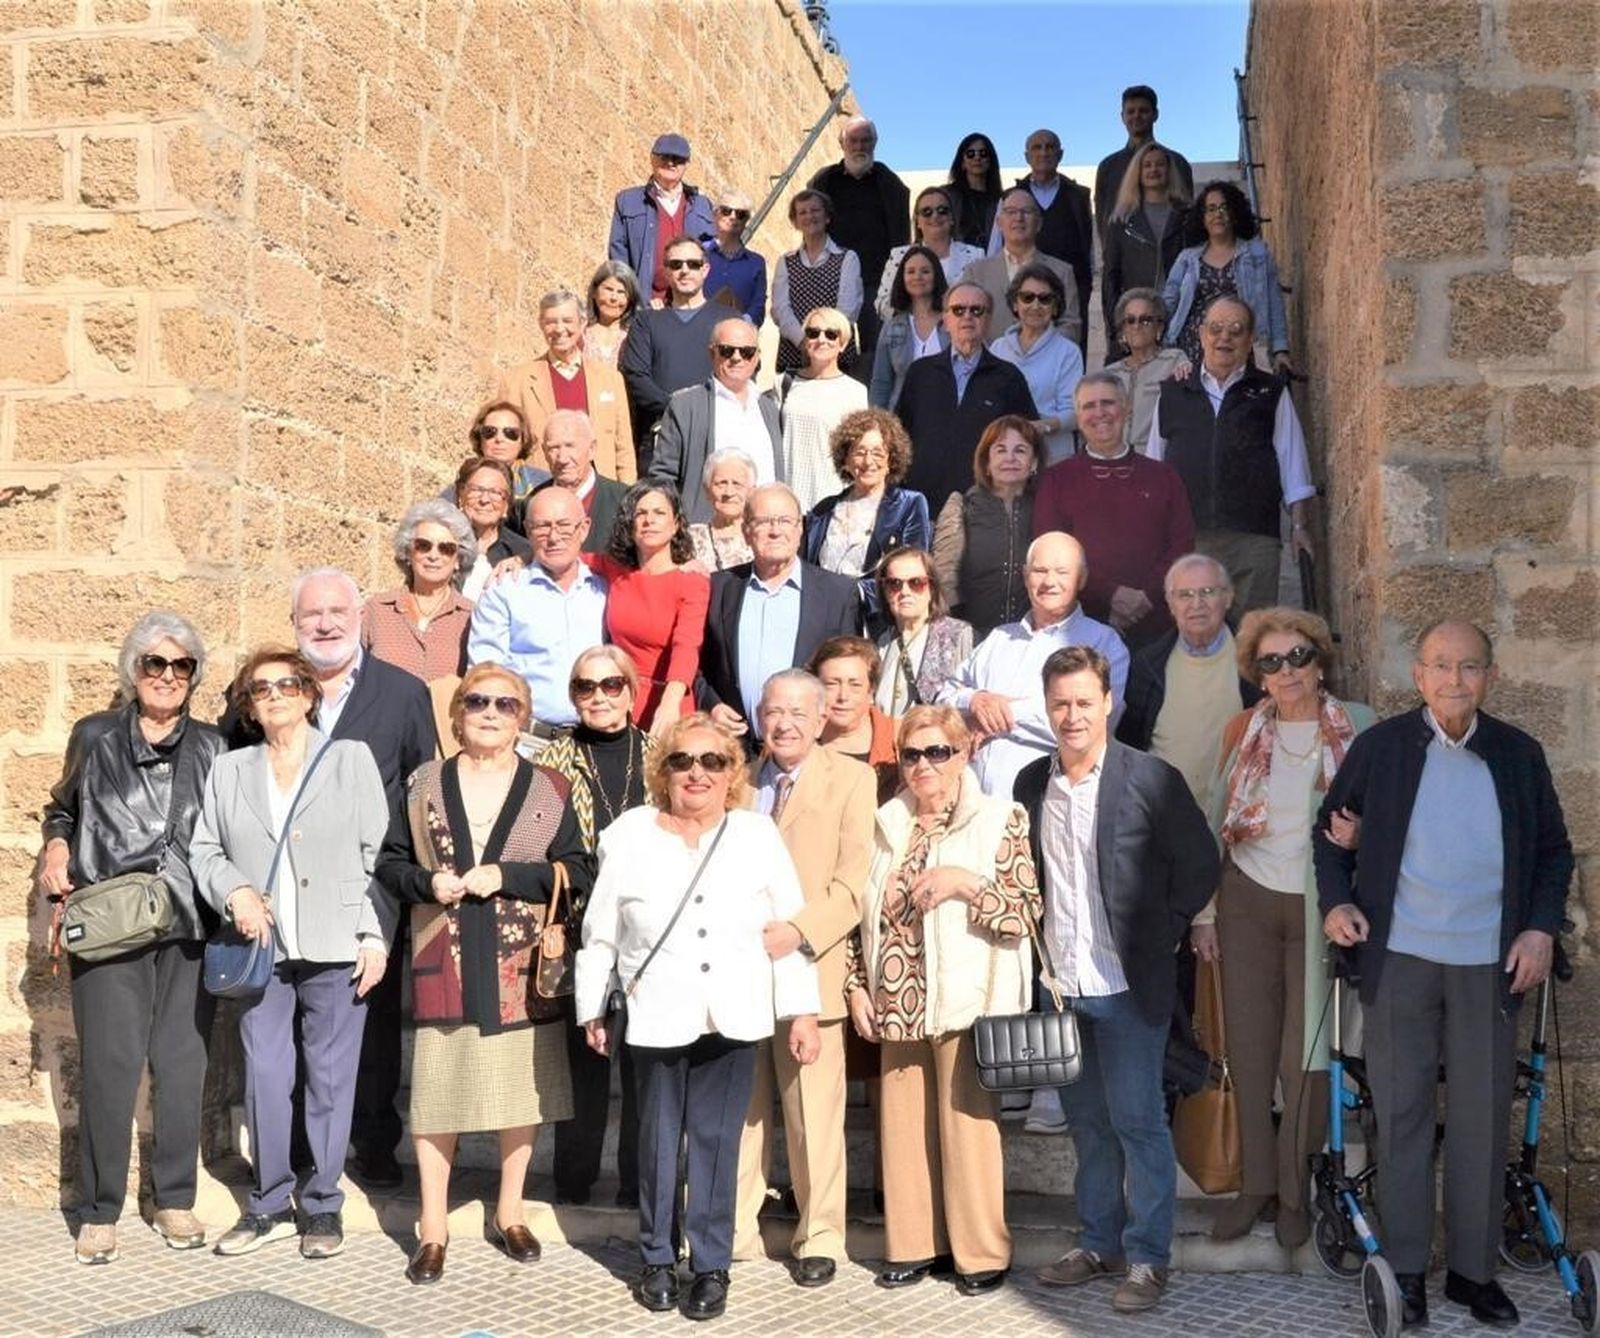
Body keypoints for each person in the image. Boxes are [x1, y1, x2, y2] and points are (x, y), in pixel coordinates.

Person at [1315, 620, 1574, 1330]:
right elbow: (1328, 834)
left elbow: (1555, 853)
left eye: (1468, 667)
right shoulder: (1383, 748)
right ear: (1418, 676)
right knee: (1398, 1114)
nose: (1454, 680)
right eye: (1440, 666)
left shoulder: (1519, 755)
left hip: (1489, 967)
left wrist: (1539, 927)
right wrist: (1337, 904)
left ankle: (1472, 1272)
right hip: (1401, 960)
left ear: (1490, 676)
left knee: (1481, 1119)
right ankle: (1405, 1270)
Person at [575, 714, 822, 1321]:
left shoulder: (756, 834)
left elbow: (785, 930)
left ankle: (710, 1266)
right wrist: (591, 1006)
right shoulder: (629, 834)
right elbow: (600, 931)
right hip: (656, 1010)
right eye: (683, 761)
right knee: (656, 1140)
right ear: (664, 770)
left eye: (713, 762)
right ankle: (657, 1258)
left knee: (716, 1145)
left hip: (733, 1012)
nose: (697, 773)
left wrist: (801, 1011)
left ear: (732, 773)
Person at [376, 664, 594, 1285]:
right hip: (440, 951)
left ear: (522, 716)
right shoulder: (424, 784)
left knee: (517, 1095)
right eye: (477, 701)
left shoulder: (549, 787)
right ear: (458, 713)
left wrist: (509, 876)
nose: (490, 712)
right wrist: (425, 882)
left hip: (518, 963)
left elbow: (576, 868)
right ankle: (434, 1227)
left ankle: (509, 1211)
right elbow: (390, 862)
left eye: (505, 703)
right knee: (437, 1098)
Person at [1019, 646, 1217, 1314]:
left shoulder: (1150, 779)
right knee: (1088, 1126)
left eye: (1083, 701)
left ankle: (1148, 1258)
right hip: (1061, 987)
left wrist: (1162, 932)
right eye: (1060, 704)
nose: (1071, 715)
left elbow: (1199, 863)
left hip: (1129, 987)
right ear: (1047, 709)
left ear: (1109, 703)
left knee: (1139, 1122)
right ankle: (1098, 1242)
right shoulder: (1029, 784)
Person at [191, 647, 394, 1260]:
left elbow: (377, 854)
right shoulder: (230, 770)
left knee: (331, 1079)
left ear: (309, 693)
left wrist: (372, 934)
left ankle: (324, 1204)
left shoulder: (349, 760)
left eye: (286, 685)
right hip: (261, 945)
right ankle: (270, 1200)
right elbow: (205, 850)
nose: (275, 695)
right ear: (250, 706)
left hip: (337, 941)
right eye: (261, 689)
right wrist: (237, 893)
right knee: (266, 1072)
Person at [44, 612, 225, 1266]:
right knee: (110, 1068)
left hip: (186, 922)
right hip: (111, 918)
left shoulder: (213, 747)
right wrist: (57, 844)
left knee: (182, 1065)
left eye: (182, 666)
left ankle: (173, 1197)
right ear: (134, 670)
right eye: (156, 663)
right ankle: (98, 1208)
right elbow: (62, 806)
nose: (168, 677)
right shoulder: (93, 736)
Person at [846, 704, 1040, 1294]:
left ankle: (981, 1253)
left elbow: (1025, 913)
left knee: (968, 1129)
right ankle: (913, 1246)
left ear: (965, 754)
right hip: (897, 1000)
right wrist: (856, 985)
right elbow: (858, 918)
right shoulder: (884, 825)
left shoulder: (1000, 818)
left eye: (939, 752)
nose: (925, 764)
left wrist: (965, 882)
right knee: (903, 1134)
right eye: (912, 753)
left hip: (966, 998)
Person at [1196, 608, 1374, 1249]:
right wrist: (1206, 913)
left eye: (1297, 656)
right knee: (1249, 1050)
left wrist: (1366, 840)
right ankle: (1254, 1187)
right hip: (1246, 901)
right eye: (1271, 662)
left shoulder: (1360, 726)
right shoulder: (1242, 730)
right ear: (1257, 675)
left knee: (1304, 1056)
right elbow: (1215, 820)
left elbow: (1391, 813)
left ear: (1318, 659)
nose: (1287, 671)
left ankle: (1295, 1193)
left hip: (1320, 908)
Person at [286, 568, 437, 1191]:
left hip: (370, 881)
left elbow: (422, 783)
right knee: (292, 1017)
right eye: (310, 616)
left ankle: (375, 1139)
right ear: (294, 625)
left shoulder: (402, 692)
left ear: (360, 619)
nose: (324, 624)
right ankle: (298, 1146)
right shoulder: (272, 687)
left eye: (336, 613)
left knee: (370, 1017)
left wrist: (413, 877)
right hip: (289, 882)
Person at [734, 670, 876, 1286]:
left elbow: (852, 885)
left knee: (813, 1118)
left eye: (797, 713)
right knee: (741, 1115)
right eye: (773, 712)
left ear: (821, 720)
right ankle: (734, 1230)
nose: (784, 723)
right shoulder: (739, 781)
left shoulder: (852, 778)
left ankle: (819, 1236)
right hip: (739, 974)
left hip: (812, 969)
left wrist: (799, 931)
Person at [537, 648, 655, 1209]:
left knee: (642, 1065)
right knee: (583, 1059)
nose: (600, 696)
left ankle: (637, 1183)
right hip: (579, 926)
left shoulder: (659, 758)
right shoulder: (553, 763)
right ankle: (573, 1180)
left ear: (632, 691)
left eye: (612, 685)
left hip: (647, 931)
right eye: (586, 687)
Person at [1148, 295, 1315, 613]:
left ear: (1250, 339)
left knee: (1252, 641)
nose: (1224, 337)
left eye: (1236, 330)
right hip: (1190, 539)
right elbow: (1156, 468)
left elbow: (1292, 462)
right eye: (1216, 328)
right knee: (1195, 636)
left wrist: (1299, 527)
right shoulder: (1173, 392)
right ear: (1201, 333)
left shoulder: (1271, 392)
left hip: (1254, 540)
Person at [939, 531, 1129, 802]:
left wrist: (995, 716)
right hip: (970, 803)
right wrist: (975, 700)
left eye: (1062, 572)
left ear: (1082, 578)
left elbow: (1095, 722)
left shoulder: (1104, 643)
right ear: (1026, 576)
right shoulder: (999, 638)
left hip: (1045, 804)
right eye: (1040, 571)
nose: (1049, 581)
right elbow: (944, 698)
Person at [1032, 373, 1195, 647]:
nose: (1099, 413)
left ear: (1126, 407)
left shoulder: (1163, 476)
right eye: (1089, 406)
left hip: (1158, 624)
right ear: (1078, 415)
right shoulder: (1056, 480)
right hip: (1081, 628)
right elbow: (1051, 550)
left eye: (1108, 403)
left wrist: (1145, 595)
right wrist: (1111, 595)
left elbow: (1182, 545)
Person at [699, 484, 863, 746]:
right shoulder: (718, 588)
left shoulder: (838, 594)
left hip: (810, 754)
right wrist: (713, 705)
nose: (775, 531)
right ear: (746, 531)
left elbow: (848, 672)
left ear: (800, 528)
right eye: (763, 522)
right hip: (736, 750)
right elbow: (696, 664)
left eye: (785, 521)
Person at [1115, 554, 1261, 811]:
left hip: (1237, 818)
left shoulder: (1255, 657)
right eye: (1184, 595)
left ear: (1228, 597)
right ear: (1170, 604)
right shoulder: (1147, 666)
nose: (1197, 604)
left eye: (1207, 592)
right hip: (1168, 819)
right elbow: (1131, 746)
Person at [467, 487, 607, 749]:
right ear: (528, 531)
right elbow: (486, 672)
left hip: (594, 744)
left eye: (564, 526)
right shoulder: (504, 590)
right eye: (542, 527)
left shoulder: (604, 591)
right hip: (527, 744)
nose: (553, 537)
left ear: (584, 528)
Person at [898, 283, 1037, 508]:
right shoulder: (920, 373)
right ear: (945, 320)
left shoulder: (1009, 377)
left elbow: (1026, 442)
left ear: (988, 320)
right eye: (958, 310)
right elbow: (900, 437)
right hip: (923, 504)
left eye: (977, 310)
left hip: (986, 506)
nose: (967, 317)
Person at [588, 481, 710, 732]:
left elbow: (686, 645)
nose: (649, 520)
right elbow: (563, 558)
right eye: (641, 513)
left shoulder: (691, 581)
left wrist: (670, 702)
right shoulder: (615, 569)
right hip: (618, 702)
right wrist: (521, 557)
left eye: (659, 513)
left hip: (669, 704)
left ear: (676, 524)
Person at [649, 316, 782, 524]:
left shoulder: (769, 408)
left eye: (746, 352)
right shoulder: (686, 406)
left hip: (763, 530)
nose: (737, 358)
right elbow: (663, 477)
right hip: (706, 531)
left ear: (756, 358)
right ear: (712, 353)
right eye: (727, 350)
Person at [497, 288, 636, 484]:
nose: (560, 329)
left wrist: (627, 493)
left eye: (567, 321)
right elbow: (506, 444)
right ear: (541, 325)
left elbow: (623, 449)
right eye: (551, 322)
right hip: (542, 487)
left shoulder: (610, 380)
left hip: (599, 488)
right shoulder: (517, 380)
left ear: (583, 323)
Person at [802, 407, 930, 619]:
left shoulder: (909, 504)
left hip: (874, 619)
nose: (868, 461)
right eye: (859, 452)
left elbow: (910, 568)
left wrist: (851, 594)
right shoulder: (823, 510)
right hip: (821, 614)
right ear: (846, 460)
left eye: (878, 453)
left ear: (891, 461)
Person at [807, 116, 910, 373]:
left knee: (875, 352)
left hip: (876, 281)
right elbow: (812, 226)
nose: (859, 146)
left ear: (875, 144)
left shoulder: (890, 183)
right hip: (832, 278)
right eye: (853, 140)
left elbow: (901, 236)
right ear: (843, 143)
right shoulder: (825, 181)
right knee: (828, 344)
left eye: (866, 140)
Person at [930, 416, 1041, 641]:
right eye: (1000, 450)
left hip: (1034, 638)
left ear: (1034, 463)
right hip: (973, 637)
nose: (1010, 458)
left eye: (1020, 450)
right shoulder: (961, 505)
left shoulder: (1048, 506)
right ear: (987, 462)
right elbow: (945, 579)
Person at [1163, 180, 1291, 373]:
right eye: (1211, 209)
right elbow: (1168, 303)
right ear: (1202, 218)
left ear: (1235, 213)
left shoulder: (1258, 253)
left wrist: (1281, 350)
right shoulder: (1187, 258)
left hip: (1242, 348)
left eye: (1224, 207)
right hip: (1193, 352)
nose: (1218, 214)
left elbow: (1274, 302)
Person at [620, 235, 725, 454]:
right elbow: (636, 375)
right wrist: (676, 408)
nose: (684, 270)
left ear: (705, 270)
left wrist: (704, 412)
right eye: (676, 265)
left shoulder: (728, 321)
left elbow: (741, 373)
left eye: (693, 264)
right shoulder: (646, 322)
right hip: (659, 436)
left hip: (715, 436)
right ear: (667, 272)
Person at [362, 500, 476, 683]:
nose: (433, 555)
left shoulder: (472, 617)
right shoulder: (376, 610)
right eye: (423, 546)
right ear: (408, 552)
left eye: (446, 549)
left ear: (458, 560)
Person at [1101, 143, 1191, 359]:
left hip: (1178, 314)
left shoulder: (1187, 216)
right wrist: (1117, 325)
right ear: (1137, 173)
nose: (1154, 170)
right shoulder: (1121, 221)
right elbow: (1111, 276)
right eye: (1147, 165)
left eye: (1160, 164)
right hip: (1137, 316)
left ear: (1170, 171)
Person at [963, 187, 1083, 348]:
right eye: (1011, 212)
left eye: (1026, 211)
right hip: (989, 366)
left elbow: (1071, 326)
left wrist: (1038, 350)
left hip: (1045, 366)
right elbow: (966, 321)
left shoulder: (1062, 272)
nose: (1018, 218)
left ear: (1039, 223)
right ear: (999, 223)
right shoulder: (976, 272)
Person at [776, 305, 868, 512]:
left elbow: (857, 451)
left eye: (831, 334)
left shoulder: (856, 392)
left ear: (842, 344)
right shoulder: (783, 383)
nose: (821, 339)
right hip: (787, 498)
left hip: (832, 498)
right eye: (813, 333)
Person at [608, 132, 717, 307]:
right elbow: (619, 258)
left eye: (678, 159)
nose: (671, 163)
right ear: (652, 159)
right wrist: (635, 302)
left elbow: (711, 256)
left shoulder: (702, 206)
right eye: (664, 156)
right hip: (646, 307)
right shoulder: (628, 201)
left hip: (690, 308)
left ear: (686, 165)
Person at [988, 263, 1083, 464]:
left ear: (1056, 306)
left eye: (1045, 299)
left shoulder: (1068, 352)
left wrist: (1041, 426)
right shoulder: (998, 347)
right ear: (1015, 304)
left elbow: (1075, 412)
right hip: (1004, 458)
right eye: (1027, 297)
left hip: (1051, 458)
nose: (1035, 305)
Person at [872, 546, 974, 717]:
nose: (905, 592)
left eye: (916, 583)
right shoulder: (882, 641)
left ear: (932, 589)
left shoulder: (958, 635)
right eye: (894, 584)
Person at [771, 190, 863, 376]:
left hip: (836, 355)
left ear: (827, 217)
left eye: (815, 210)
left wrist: (823, 341)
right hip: (794, 354)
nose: (809, 216)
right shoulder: (786, 262)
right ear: (795, 221)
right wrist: (804, 342)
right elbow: (781, 309)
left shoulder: (847, 258)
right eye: (802, 212)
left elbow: (848, 309)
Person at [1093, 86, 1195, 242]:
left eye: (1143, 111)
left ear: (1155, 115)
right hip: (1123, 260)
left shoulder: (1177, 163)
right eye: (1131, 111)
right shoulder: (1108, 167)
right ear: (1122, 117)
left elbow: (1187, 215)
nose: (1137, 116)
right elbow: (1103, 220)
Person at [809, 635, 900, 806]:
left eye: (855, 685)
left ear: (871, 691)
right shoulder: (793, 741)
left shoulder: (901, 742)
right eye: (832, 684)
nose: (843, 696)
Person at [871, 187, 984, 319]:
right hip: (910, 334)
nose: (935, 216)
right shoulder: (899, 256)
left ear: (952, 218)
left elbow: (983, 302)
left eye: (942, 210)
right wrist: (921, 313)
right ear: (917, 221)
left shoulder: (975, 256)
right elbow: (881, 304)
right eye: (927, 212)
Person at [528, 408, 630, 556]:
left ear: (592, 449)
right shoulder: (532, 503)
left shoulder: (624, 501)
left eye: (570, 446)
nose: (562, 458)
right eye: (554, 448)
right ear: (544, 452)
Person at [1104, 288, 1188, 453]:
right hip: (1115, 459)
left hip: (1156, 458)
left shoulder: (1174, 360)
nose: (1137, 326)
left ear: (1160, 328)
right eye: (1130, 320)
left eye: (1146, 320)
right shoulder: (1109, 374)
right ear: (1122, 331)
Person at [870, 244, 949, 411]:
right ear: (902, 278)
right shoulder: (891, 327)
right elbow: (881, 384)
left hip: (947, 415)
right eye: (910, 271)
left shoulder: (952, 323)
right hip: (902, 420)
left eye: (925, 271)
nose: (917, 276)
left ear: (936, 276)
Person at [467, 399, 549, 533]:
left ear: (523, 439)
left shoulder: (545, 485)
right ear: (480, 439)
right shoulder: (462, 486)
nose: (499, 439)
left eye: (510, 433)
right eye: (490, 432)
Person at [455, 458, 531, 601]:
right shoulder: (441, 544)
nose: (484, 500)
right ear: (461, 494)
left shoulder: (523, 552)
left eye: (495, 493)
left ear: (507, 504)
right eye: (476, 490)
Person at [702, 189, 767, 327]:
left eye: (741, 214)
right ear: (715, 214)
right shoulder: (698, 252)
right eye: (726, 211)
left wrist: (741, 324)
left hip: (736, 339)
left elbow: (758, 304)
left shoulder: (756, 263)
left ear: (746, 221)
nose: (733, 217)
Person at [687, 448, 757, 572]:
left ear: (752, 491)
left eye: (737, 484)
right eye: (721, 483)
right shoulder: (691, 538)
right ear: (707, 490)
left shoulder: (761, 536)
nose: (729, 492)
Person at [945, 131, 1003, 249]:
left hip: (992, 262)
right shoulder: (947, 196)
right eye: (970, 154)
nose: (977, 158)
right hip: (956, 261)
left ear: (990, 161)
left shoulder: (1002, 200)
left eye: (983, 153)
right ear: (962, 163)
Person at [584, 259, 642, 368]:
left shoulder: (636, 335)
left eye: (621, 292)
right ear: (594, 292)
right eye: (608, 289)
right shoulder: (580, 333)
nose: (614, 298)